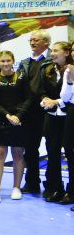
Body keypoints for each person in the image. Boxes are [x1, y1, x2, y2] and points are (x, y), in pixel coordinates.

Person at [0, 51, 32, 203]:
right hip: (1, 120)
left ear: (13, 61)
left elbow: (29, 98)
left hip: (19, 120)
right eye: (3, 61)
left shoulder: (22, 77)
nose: (6, 64)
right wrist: (7, 115)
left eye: (8, 61)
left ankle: (16, 188)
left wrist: (18, 116)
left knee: (18, 154)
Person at [18, 29, 51, 194]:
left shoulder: (53, 60)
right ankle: (32, 182)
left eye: (36, 40)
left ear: (46, 42)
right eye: (31, 40)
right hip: (29, 113)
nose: (32, 43)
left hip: (50, 111)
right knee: (30, 148)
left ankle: (53, 185)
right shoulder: (25, 62)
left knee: (53, 148)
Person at [39, 42, 72, 203]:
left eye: (56, 51)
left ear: (66, 53)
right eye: (52, 51)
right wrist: (45, 101)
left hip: (68, 116)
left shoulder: (71, 70)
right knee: (52, 153)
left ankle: (70, 191)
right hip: (51, 116)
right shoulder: (47, 70)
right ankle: (55, 188)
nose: (52, 54)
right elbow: (42, 91)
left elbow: (69, 95)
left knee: (70, 154)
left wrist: (56, 102)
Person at [59, 48, 74, 208]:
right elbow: (64, 97)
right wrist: (70, 81)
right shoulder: (69, 69)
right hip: (72, 111)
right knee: (69, 151)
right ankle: (71, 190)